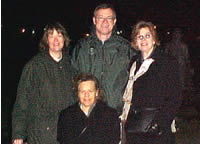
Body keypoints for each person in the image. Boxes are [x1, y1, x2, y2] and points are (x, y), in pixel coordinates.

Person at [12, 22, 76, 144]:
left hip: (67, 132)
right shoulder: (34, 66)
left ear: (65, 38)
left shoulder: (71, 65)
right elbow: (22, 101)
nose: (55, 40)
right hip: (41, 133)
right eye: (51, 36)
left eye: (59, 35)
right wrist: (18, 134)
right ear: (46, 40)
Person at [120, 21, 182, 144]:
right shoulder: (133, 63)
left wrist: (159, 123)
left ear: (154, 39)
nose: (144, 40)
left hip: (156, 129)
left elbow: (175, 97)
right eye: (140, 36)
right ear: (136, 42)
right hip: (135, 127)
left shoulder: (166, 62)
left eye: (147, 36)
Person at [71, 3, 136, 110]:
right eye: (101, 18)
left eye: (109, 18)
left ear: (114, 21)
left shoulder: (126, 48)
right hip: (87, 111)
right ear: (94, 20)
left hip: (116, 112)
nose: (105, 22)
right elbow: (73, 78)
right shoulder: (81, 47)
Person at [57, 73, 120, 144]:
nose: (86, 95)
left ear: (96, 92)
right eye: (82, 91)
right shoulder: (66, 116)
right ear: (77, 93)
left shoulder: (110, 115)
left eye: (90, 91)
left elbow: (114, 140)